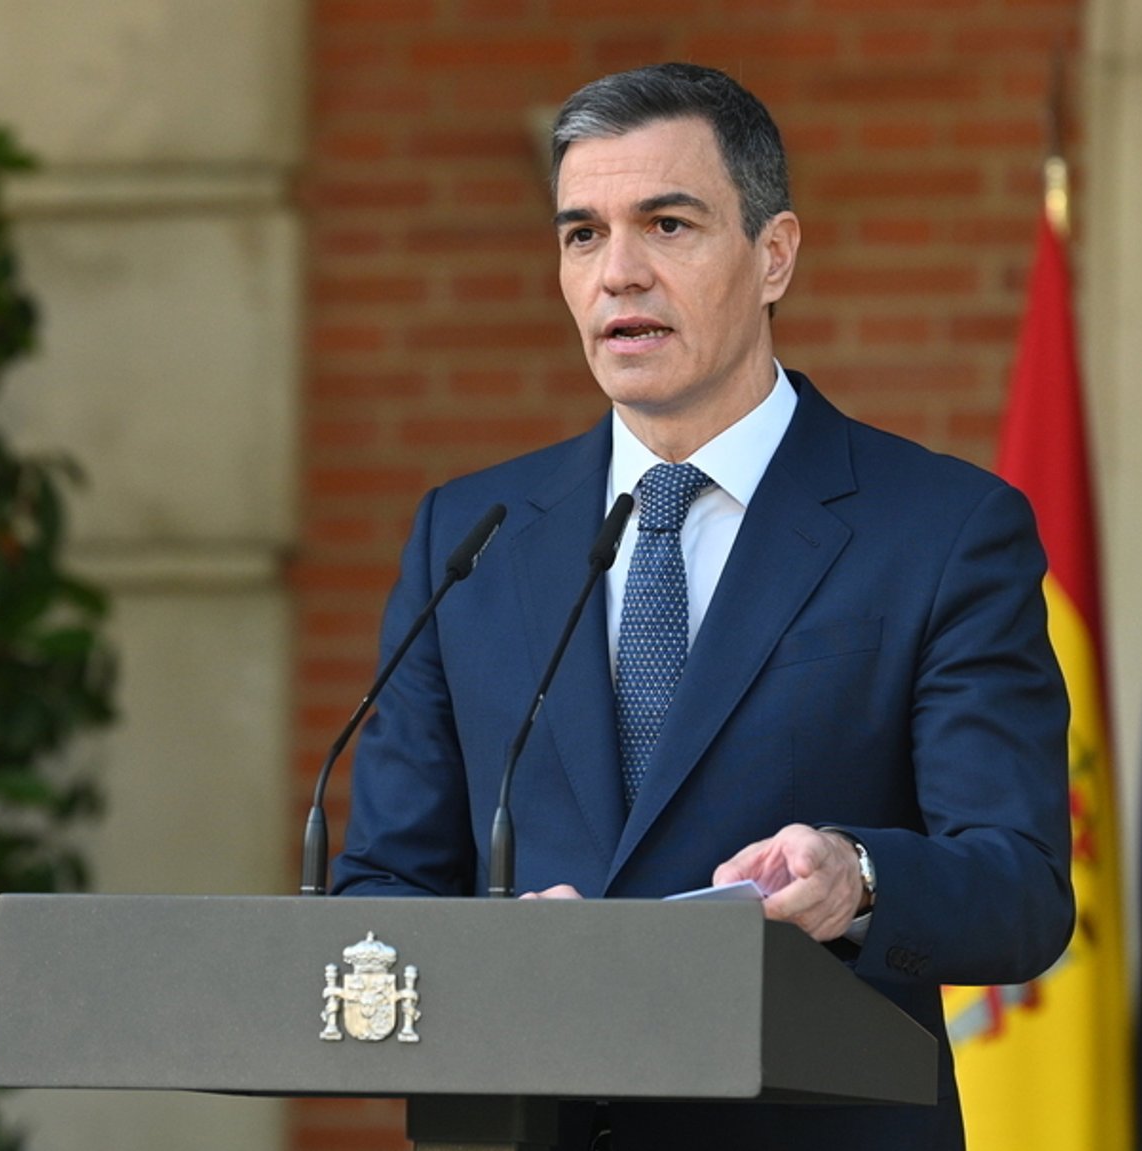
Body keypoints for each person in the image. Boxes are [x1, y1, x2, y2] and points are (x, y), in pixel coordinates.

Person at [333, 62, 1073, 1149]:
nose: (617, 274)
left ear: (773, 256)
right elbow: (380, 886)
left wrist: (855, 879)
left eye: (666, 225)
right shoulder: (470, 534)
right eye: (581, 234)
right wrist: (483, 947)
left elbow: (1017, 890)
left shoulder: (943, 529)